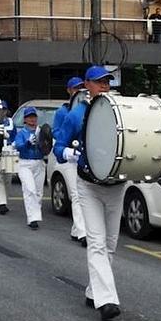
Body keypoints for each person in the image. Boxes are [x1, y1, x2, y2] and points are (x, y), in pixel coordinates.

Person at [53, 66, 124, 321]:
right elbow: (58, 147)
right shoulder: (76, 115)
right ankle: (107, 301)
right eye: (98, 82)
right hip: (88, 185)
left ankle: (94, 291)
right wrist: (71, 154)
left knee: (111, 245)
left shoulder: (119, 111)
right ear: (87, 85)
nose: (104, 86)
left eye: (106, 82)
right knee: (96, 241)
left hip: (116, 185)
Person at [53, 77, 87, 246]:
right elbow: (57, 133)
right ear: (69, 90)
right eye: (75, 88)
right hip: (69, 156)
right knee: (76, 194)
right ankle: (83, 233)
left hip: (82, 157)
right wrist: (68, 149)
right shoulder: (63, 111)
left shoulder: (86, 108)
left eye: (81, 87)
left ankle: (76, 229)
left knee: (81, 194)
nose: (78, 90)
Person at [13, 107, 45, 230]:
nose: (32, 119)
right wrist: (27, 143)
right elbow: (18, 147)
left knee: (38, 192)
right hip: (25, 163)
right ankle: (33, 218)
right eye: (29, 117)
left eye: (34, 117)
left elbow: (47, 145)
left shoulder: (41, 131)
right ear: (25, 119)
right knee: (29, 189)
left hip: (39, 162)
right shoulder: (21, 133)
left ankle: (35, 215)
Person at [0, 102, 15, 215]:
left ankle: (5, 200)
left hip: (9, 150)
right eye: (0, 109)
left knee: (8, 176)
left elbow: (14, 135)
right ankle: (1, 203)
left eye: (4, 109)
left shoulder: (11, 122)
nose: (2, 112)